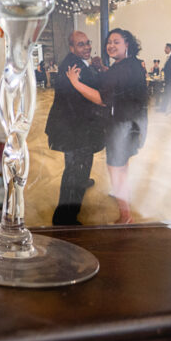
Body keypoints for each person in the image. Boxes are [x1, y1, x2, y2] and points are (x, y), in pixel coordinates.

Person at [66, 28, 148, 224]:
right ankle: (122, 194)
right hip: (135, 123)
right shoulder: (132, 63)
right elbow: (119, 84)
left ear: (127, 44)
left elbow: (102, 99)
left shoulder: (122, 69)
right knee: (123, 164)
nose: (111, 45)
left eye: (117, 42)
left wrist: (75, 83)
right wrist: (103, 68)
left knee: (114, 167)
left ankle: (126, 216)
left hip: (122, 126)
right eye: (109, 42)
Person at [44, 31, 106, 225]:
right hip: (76, 130)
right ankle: (64, 217)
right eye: (81, 45)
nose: (86, 47)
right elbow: (86, 99)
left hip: (72, 127)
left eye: (87, 43)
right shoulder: (74, 67)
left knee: (76, 166)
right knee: (75, 169)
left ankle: (82, 181)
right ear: (72, 48)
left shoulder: (75, 63)